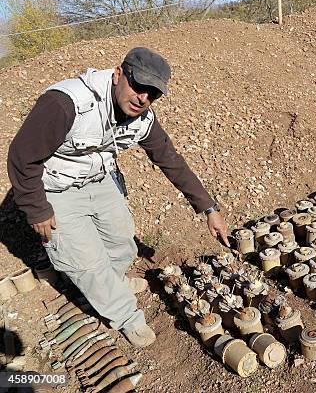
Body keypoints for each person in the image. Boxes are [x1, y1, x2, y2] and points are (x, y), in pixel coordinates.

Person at [7, 47, 229, 347]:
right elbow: (22, 157)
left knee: (121, 241)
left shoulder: (142, 119)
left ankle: (113, 285)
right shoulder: (67, 103)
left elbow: (170, 160)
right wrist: (37, 209)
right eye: (138, 86)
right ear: (118, 74)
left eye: (152, 94)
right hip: (55, 189)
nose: (143, 98)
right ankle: (126, 316)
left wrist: (208, 208)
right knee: (84, 262)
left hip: (98, 180)